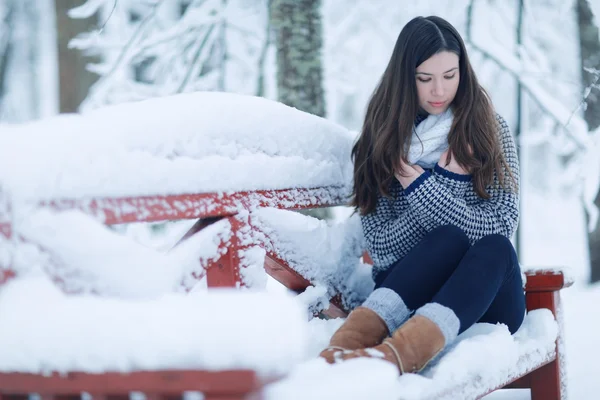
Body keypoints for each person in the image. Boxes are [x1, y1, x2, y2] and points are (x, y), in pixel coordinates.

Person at [318, 15, 524, 375]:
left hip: (481, 297)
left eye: (450, 76)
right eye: (425, 79)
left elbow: (501, 224)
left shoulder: (490, 130)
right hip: (404, 298)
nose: (439, 91)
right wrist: (439, 186)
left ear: (464, 71)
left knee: (496, 248)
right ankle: (345, 346)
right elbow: (382, 248)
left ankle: (395, 357)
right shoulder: (381, 139)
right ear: (404, 78)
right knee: (448, 238)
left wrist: (426, 186)